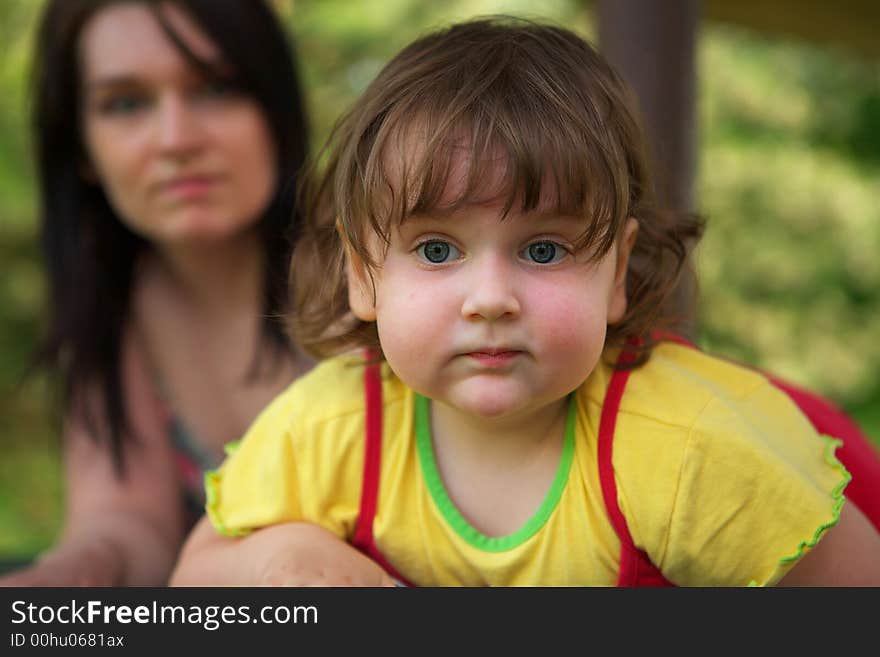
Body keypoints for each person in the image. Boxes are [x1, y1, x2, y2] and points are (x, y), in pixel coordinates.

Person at [170, 17, 880, 586]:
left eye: (543, 249)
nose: (490, 299)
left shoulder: (693, 452)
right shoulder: (328, 429)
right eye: (437, 249)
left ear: (617, 271)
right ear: (363, 274)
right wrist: (277, 560)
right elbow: (193, 580)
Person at [0, 0, 317, 586]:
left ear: (275, 108)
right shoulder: (115, 307)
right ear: (82, 150)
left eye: (216, 88)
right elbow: (126, 524)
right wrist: (58, 582)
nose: (176, 139)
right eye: (126, 104)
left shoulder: (381, 276)